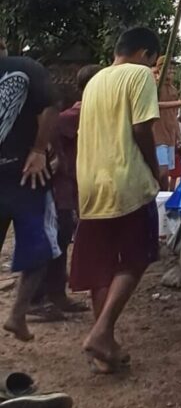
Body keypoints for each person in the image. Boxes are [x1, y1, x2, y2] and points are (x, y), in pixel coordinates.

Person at [71, 26, 162, 372]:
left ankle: (104, 348)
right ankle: (101, 332)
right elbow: (141, 128)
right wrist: (155, 169)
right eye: (153, 61)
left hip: (91, 181)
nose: (152, 67)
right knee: (137, 256)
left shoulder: (95, 81)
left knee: (103, 265)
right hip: (126, 180)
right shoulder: (139, 75)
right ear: (144, 54)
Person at [32, 65, 102, 317]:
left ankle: (56, 294)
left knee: (62, 236)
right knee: (55, 236)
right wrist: (57, 161)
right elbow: (52, 134)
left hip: (71, 184)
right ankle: (37, 299)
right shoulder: (74, 115)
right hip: (59, 184)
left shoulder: (89, 112)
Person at [0, 51, 59, 341]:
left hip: (26, 174)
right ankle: (17, 315)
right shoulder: (27, 67)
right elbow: (51, 106)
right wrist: (38, 150)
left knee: (39, 246)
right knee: (41, 248)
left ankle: (18, 316)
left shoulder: (24, 68)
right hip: (28, 175)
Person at [152, 56, 181, 190]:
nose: (172, 70)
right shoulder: (154, 86)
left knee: (169, 174)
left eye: (173, 68)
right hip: (157, 136)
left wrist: (179, 137)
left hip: (170, 136)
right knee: (162, 172)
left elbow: (173, 116)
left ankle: (164, 198)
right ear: (160, 68)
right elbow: (154, 105)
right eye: (169, 68)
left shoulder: (173, 89)